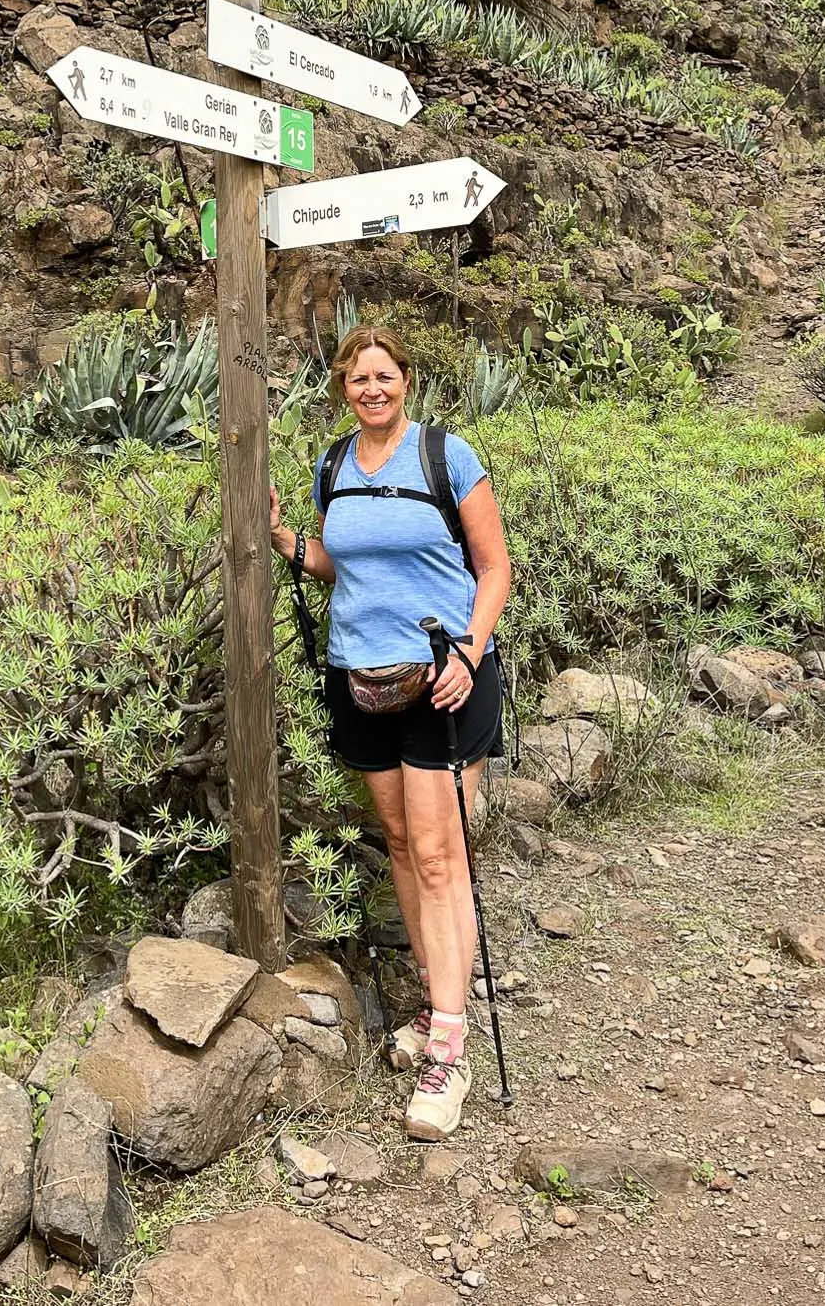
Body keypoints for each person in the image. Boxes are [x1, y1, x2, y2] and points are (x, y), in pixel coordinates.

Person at [269, 325, 511, 1140]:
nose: (372, 388)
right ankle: (437, 1002)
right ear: (342, 388)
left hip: (444, 679)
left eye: (384, 375)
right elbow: (348, 564)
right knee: (403, 846)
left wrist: (471, 655)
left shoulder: (448, 457)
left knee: (442, 856)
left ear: (406, 380)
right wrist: (292, 547)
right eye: (357, 378)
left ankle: (450, 1046)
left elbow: (495, 568)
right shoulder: (333, 466)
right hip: (361, 680)